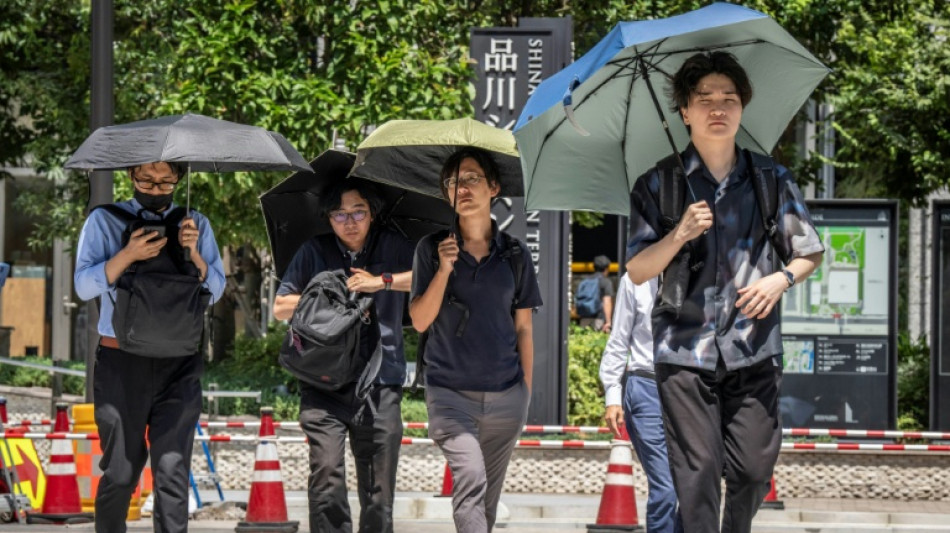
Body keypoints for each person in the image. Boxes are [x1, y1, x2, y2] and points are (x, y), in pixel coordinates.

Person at [625, 51, 824, 533]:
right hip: (682, 354)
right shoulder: (658, 184)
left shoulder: (769, 178)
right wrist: (679, 234)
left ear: (742, 108)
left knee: (754, 472)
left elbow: (809, 251)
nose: (718, 107)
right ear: (685, 111)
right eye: (705, 99)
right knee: (696, 483)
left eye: (729, 99)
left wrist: (782, 278)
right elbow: (636, 269)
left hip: (753, 349)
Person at [74, 161, 226, 533]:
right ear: (131, 177)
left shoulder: (196, 223)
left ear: (179, 179)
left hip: (180, 362)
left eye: (165, 181)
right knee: (122, 470)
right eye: (147, 179)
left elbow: (216, 290)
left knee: (173, 470)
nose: (156, 188)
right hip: (121, 360)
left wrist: (194, 254)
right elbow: (82, 286)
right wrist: (128, 255)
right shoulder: (103, 220)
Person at [409, 147, 542, 533]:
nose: (461, 188)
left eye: (470, 179)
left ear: (494, 187)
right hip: (449, 396)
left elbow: (523, 329)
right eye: (452, 182)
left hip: (506, 397)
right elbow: (419, 321)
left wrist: (524, 396)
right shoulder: (430, 251)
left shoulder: (515, 254)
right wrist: (444, 269)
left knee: (488, 499)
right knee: (470, 480)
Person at [272, 180, 414, 533]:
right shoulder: (314, 251)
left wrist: (380, 282)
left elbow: (426, 279)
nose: (349, 221)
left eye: (358, 212)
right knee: (327, 478)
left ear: (372, 213)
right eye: (339, 214)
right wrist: (331, 298)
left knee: (379, 493)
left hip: (381, 382)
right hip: (323, 382)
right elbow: (280, 307)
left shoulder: (395, 246)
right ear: (328, 217)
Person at [600, 274, 682, 533]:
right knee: (666, 488)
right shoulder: (635, 279)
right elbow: (619, 338)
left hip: (690, 389)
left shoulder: (703, 270)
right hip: (646, 387)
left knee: (692, 489)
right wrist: (613, 394)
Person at [576, 254, 615, 332]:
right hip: (598, 320)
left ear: (594, 267)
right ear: (607, 268)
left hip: (584, 319)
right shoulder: (605, 282)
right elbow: (606, 301)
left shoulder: (584, 281)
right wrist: (608, 322)